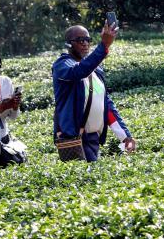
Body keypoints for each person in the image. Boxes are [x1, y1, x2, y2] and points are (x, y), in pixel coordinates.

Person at [52, 22, 136, 161]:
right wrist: (104, 46)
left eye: (88, 40)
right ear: (69, 44)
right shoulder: (62, 65)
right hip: (74, 138)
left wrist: (125, 136)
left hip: (93, 139)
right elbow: (78, 71)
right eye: (80, 40)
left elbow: (106, 105)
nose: (85, 43)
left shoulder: (96, 70)